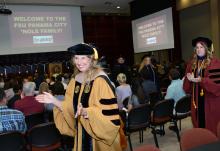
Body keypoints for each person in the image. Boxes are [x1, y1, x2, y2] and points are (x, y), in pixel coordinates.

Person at [36, 43, 124, 151]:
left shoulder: (100, 80)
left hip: (99, 139)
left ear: (91, 59)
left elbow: (110, 114)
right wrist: (54, 101)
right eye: (76, 58)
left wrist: (87, 112)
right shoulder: (75, 80)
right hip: (82, 134)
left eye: (83, 58)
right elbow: (71, 107)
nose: (79, 62)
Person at [183, 36, 220, 134]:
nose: (199, 50)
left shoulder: (214, 62)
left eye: (201, 47)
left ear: (206, 49)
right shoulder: (192, 64)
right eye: (197, 47)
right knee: (198, 125)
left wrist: (201, 80)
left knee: (211, 126)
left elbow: (216, 85)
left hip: (210, 101)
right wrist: (188, 79)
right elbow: (187, 87)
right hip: (196, 101)